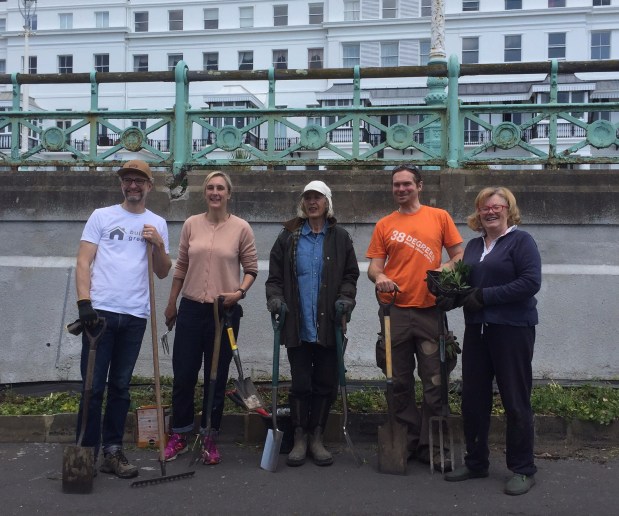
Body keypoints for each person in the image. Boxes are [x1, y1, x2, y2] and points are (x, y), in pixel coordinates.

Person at [75, 159, 172, 479]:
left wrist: (157, 244)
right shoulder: (101, 216)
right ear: (121, 184)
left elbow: (162, 271)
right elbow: (83, 262)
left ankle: (112, 451)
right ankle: (84, 454)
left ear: (149, 186)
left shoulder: (157, 223)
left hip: (135, 315)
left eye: (139, 181)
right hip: (100, 314)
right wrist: (84, 304)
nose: (133, 185)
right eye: (127, 180)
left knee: (120, 387)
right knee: (92, 388)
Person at [442, 187, 541, 496]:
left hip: (512, 330)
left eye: (498, 207)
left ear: (508, 210)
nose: (491, 212)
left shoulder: (521, 241)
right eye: (485, 208)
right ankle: (476, 462)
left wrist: (484, 297)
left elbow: (529, 282)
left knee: (515, 399)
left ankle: (523, 469)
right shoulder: (473, 246)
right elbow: (467, 286)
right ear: (478, 213)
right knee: (473, 399)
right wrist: (447, 296)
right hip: (478, 331)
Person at [366, 164, 464, 470]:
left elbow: (460, 255)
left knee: (435, 382)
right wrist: (380, 277)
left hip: (430, 312)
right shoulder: (384, 224)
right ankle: (405, 443)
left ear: (419, 186)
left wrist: (445, 269)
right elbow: (373, 266)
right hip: (394, 312)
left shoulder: (440, 217)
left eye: (407, 184)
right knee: (398, 383)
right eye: (396, 185)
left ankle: (434, 446)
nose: (401, 189)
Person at [163, 171, 258, 465]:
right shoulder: (192, 224)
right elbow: (180, 266)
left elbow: (252, 268)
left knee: (216, 378)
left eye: (220, 188)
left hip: (224, 312)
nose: (215, 192)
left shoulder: (241, 228)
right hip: (191, 308)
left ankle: (209, 436)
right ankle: (180, 433)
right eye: (210, 188)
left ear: (229, 194)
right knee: (184, 375)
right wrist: (171, 303)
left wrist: (239, 293)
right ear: (205, 193)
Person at [266, 180, 359, 467]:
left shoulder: (340, 237)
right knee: (301, 382)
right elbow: (275, 279)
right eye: (307, 198)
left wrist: (345, 298)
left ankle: (317, 437)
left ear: (327, 202)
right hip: (298, 324)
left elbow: (350, 275)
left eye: (317, 197)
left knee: (324, 382)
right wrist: (276, 300)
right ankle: (299, 437)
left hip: (329, 324)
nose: (312, 202)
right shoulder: (288, 237)